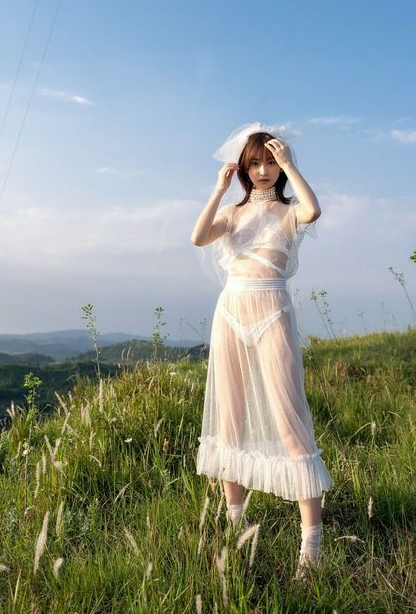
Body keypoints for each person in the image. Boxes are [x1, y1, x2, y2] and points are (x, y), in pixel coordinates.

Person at [190, 122, 334, 581]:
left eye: (271, 162)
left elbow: (313, 210)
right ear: (244, 168)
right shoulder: (233, 213)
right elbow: (198, 237)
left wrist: (292, 164)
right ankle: (235, 527)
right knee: (230, 420)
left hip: (272, 310)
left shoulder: (289, 211)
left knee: (290, 421)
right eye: (255, 163)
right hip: (231, 312)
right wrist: (219, 189)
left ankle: (311, 548)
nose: (264, 170)